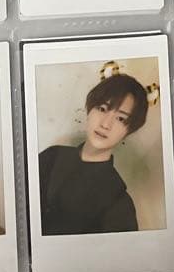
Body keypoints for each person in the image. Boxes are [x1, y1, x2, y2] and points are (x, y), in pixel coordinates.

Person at [38, 70, 150, 234]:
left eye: (121, 118)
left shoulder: (119, 203)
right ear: (89, 110)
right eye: (102, 109)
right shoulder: (52, 155)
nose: (105, 124)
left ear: (128, 131)